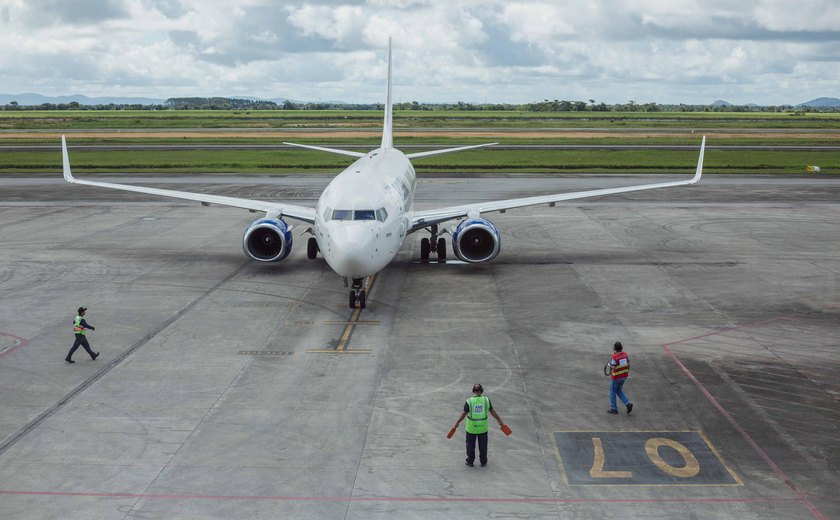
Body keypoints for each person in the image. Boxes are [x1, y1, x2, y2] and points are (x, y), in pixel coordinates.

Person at [452, 383, 506, 467]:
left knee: (470, 446)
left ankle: (470, 461)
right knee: (483, 446)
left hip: (471, 429)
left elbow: (464, 413)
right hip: (483, 428)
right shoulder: (486, 400)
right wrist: (499, 420)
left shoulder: (469, 401)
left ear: (473, 391)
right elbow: (492, 411)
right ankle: (483, 461)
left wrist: (457, 422)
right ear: (482, 390)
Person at [608, 341, 632, 414]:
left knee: (612, 391)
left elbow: (614, 367)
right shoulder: (625, 355)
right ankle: (628, 404)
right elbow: (628, 364)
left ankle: (614, 408)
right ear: (622, 348)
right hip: (623, 377)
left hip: (616, 378)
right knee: (618, 390)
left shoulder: (614, 357)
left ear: (614, 349)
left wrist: (609, 365)